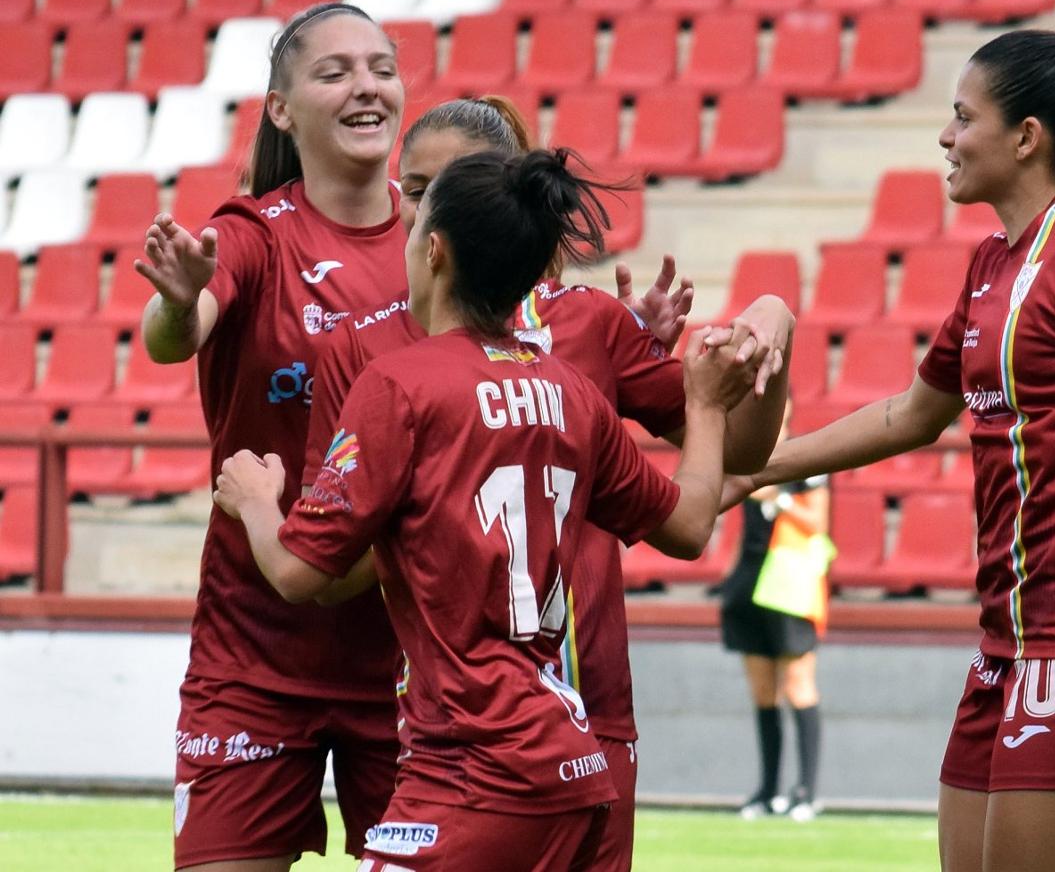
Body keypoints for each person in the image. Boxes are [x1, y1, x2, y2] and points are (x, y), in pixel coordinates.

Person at [725, 11, 1055, 872]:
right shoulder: (993, 265)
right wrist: (756, 470)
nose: (946, 135)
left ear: (1027, 137)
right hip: (1005, 641)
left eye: (964, 116)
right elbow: (910, 417)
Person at [211, 147, 761, 871]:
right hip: (573, 762)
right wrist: (705, 404)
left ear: (433, 251)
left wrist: (254, 502)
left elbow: (301, 575)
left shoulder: (399, 385)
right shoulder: (571, 392)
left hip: (475, 768)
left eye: (411, 231)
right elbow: (690, 526)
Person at [137, 2, 412, 871]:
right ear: (282, 109)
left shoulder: (445, 247)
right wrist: (181, 300)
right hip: (252, 656)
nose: (366, 86)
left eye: (381, 66)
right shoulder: (253, 234)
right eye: (334, 72)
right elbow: (170, 333)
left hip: (413, 665)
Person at [721, 402, 829, 823]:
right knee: (762, 692)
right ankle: (767, 790)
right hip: (750, 582)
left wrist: (778, 498)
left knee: (799, 685)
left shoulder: (806, 458)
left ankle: (806, 792)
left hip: (789, 586)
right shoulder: (747, 456)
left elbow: (818, 522)